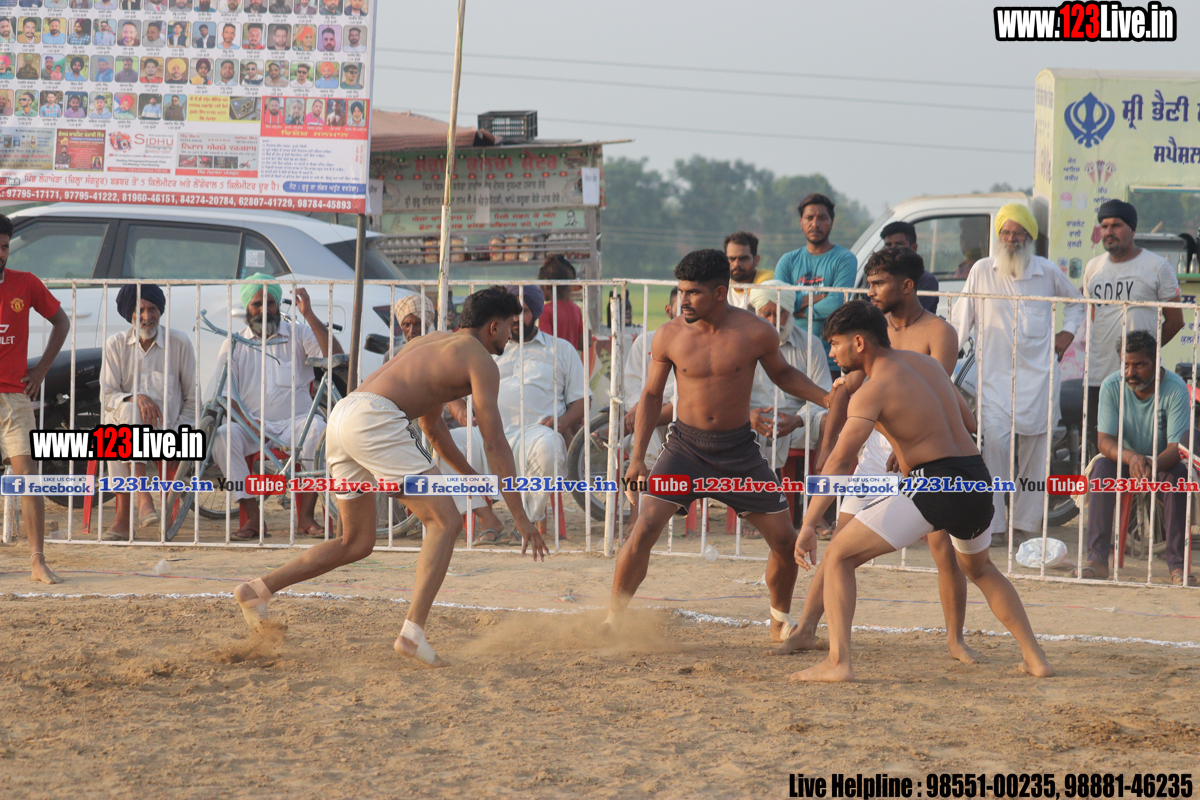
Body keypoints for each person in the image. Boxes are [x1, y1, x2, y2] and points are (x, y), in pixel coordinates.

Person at [232, 288, 547, 667]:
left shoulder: (432, 343)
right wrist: (521, 518)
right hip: (375, 419)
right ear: (493, 326)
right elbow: (495, 443)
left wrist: (470, 479)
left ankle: (258, 589)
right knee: (445, 521)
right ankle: (412, 635)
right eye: (510, 326)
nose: (512, 335)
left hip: (344, 416)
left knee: (355, 541)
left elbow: (433, 429)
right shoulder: (480, 360)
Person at [776, 300, 1053, 682]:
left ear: (859, 343)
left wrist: (808, 524)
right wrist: (912, 437)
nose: (832, 352)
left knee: (838, 555)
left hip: (934, 484)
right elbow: (968, 421)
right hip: (976, 478)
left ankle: (838, 663)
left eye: (835, 343)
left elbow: (839, 462)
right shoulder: (929, 365)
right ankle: (1036, 658)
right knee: (981, 568)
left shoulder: (872, 391)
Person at [603, 249, 833, 642]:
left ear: (720, 292)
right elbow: (652, 396)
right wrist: (636, 459)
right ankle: (612, 620)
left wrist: (827, 398)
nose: (684, 300)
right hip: (684, 449)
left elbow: (783, 374)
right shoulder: (669, 335)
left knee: (784, 539)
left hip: (739, 452)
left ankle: (779, 620)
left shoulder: (755, 332)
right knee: (642, 529)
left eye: (693, 292)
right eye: (681, 291)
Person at [811, 246, 978, 663]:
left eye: (878, 283)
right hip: (874, 443)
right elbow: (852, 385)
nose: (870, 291)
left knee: (943, 548)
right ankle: (806, 628)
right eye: (869, 284)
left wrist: (906, 450)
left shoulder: (938, 332)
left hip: (927, 450)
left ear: (906, 286)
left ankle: (955, 639)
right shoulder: (870, 330)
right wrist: (831, 427)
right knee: (841, 542)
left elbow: (935, 395)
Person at [950, 203, 1084, 547]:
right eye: (1006, 233)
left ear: (1029, 238)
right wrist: (943, 363)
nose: (1011, 239)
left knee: (1036, 453)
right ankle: (994, 525)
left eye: (1018, 234)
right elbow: (961, 320)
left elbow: (1077, 303)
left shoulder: (1047, 271)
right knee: (993, 447)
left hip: (1039, 379)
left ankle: (1026, 524)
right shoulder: (981, 270)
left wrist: (1067, 334)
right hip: (994, 378)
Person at [446, 285, 586, 541]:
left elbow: (581, 400)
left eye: (524, 312)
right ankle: (486, 518)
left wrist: (562, 421)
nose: (516, 320)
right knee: (444, 444)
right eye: (511, 315)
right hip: (484, 432)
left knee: (550, 448)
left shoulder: (561, 349)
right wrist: (461, 412)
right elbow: (450, 391)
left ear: (538, 314)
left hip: (536, 434)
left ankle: (527, 523)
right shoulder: (485, 347)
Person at [212, 275, 342, 540]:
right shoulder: (234, 343)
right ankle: (253, 517)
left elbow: (336, 357)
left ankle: (306, 517)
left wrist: (309, 314)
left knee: (319, 430)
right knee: (223, 436)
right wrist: (249, 423)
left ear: (278, 305)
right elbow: (226, 397)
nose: (264, 310)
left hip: (296, 425)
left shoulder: (299, 333)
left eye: (270, 303)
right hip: (252, 426)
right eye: (257, 304)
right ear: (247, 308)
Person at [1084, 330, 1195, 585]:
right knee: (1101, 469)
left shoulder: (1175, 388)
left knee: (1178, 477)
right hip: (1125, 459)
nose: (1130, 372)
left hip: (1164, 460)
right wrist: (1132, 458)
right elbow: (1104, 440)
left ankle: (1177, 566)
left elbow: (1177, 447)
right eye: (1125, 365)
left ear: (1156, 363)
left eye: (1139, 365)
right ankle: (1097, 560)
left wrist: (1151, 464)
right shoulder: (1111, 385)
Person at [0, 213, 71, 586]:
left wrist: (41, 371)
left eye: (4, 247)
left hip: (14, 398)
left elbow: (62, 322)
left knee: (28, 477)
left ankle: (37, 561)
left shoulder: (25, 283)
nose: (0, 254)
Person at [1082, 199, 1183, 458]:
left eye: (1116, 225)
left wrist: (1144, 355)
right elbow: (1094, 317)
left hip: (1140, 379)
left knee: (1145, 451)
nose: (1108, 231)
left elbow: (1175, 321)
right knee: (1102, 453)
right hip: (1099, 375)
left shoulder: (1157, 266)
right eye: (1104, 226)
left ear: (1132, 229)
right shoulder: (1093, 268)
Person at [99, 284, 197, 542]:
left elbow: (192, 400)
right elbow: (107, 396)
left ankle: (123, 519)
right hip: (123, 427)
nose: (146, 316)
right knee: (128, 412)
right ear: (129, 314)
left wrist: (180, 434)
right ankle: (142, 496)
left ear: (160, 310)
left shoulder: (179, 343)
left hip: (166, 431)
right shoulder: (116, 344)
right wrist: (136, 397)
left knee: (119, 431)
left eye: (152, 309)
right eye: (139, 310)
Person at [746, 280, 830, 474]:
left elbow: (825, 394)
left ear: (790, 312)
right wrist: (747, 416)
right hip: (751, 423)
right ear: (756, 313)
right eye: (766, 314)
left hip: (797, 424)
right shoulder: (741, 345)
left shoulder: (810, 344)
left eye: (780, 313)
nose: (773, 321)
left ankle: (821, 487)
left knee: (828, 420)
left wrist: (798, 419)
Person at [773, 193, 858, 378]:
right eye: (809, 218)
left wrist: (798, 308)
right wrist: (821, 296)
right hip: (790, 356)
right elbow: (779, 302)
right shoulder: (787, 261)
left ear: (831, 222)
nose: (815, 224)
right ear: (801, 222)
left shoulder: (845, 259)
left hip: (831, 358)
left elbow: (836, 303)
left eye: (822, 218)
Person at [879, 220, 939, 314]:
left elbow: (909, 315)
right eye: (888, 245)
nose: (892, 250)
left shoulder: (926, 281)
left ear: (914, 248)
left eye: (898, 245)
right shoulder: (877, 278)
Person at [537, 255, 583, 351]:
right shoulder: (577, 309)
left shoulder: (546, 311)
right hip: (571, 359)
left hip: (554, 359)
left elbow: (546, 344)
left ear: (546, 285)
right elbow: (582, 343)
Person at [725, 230, 774, 310]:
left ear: (756, 260)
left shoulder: (766, 279)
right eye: (732, 259)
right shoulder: (720, 285)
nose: (736, 264)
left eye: (743, 258)